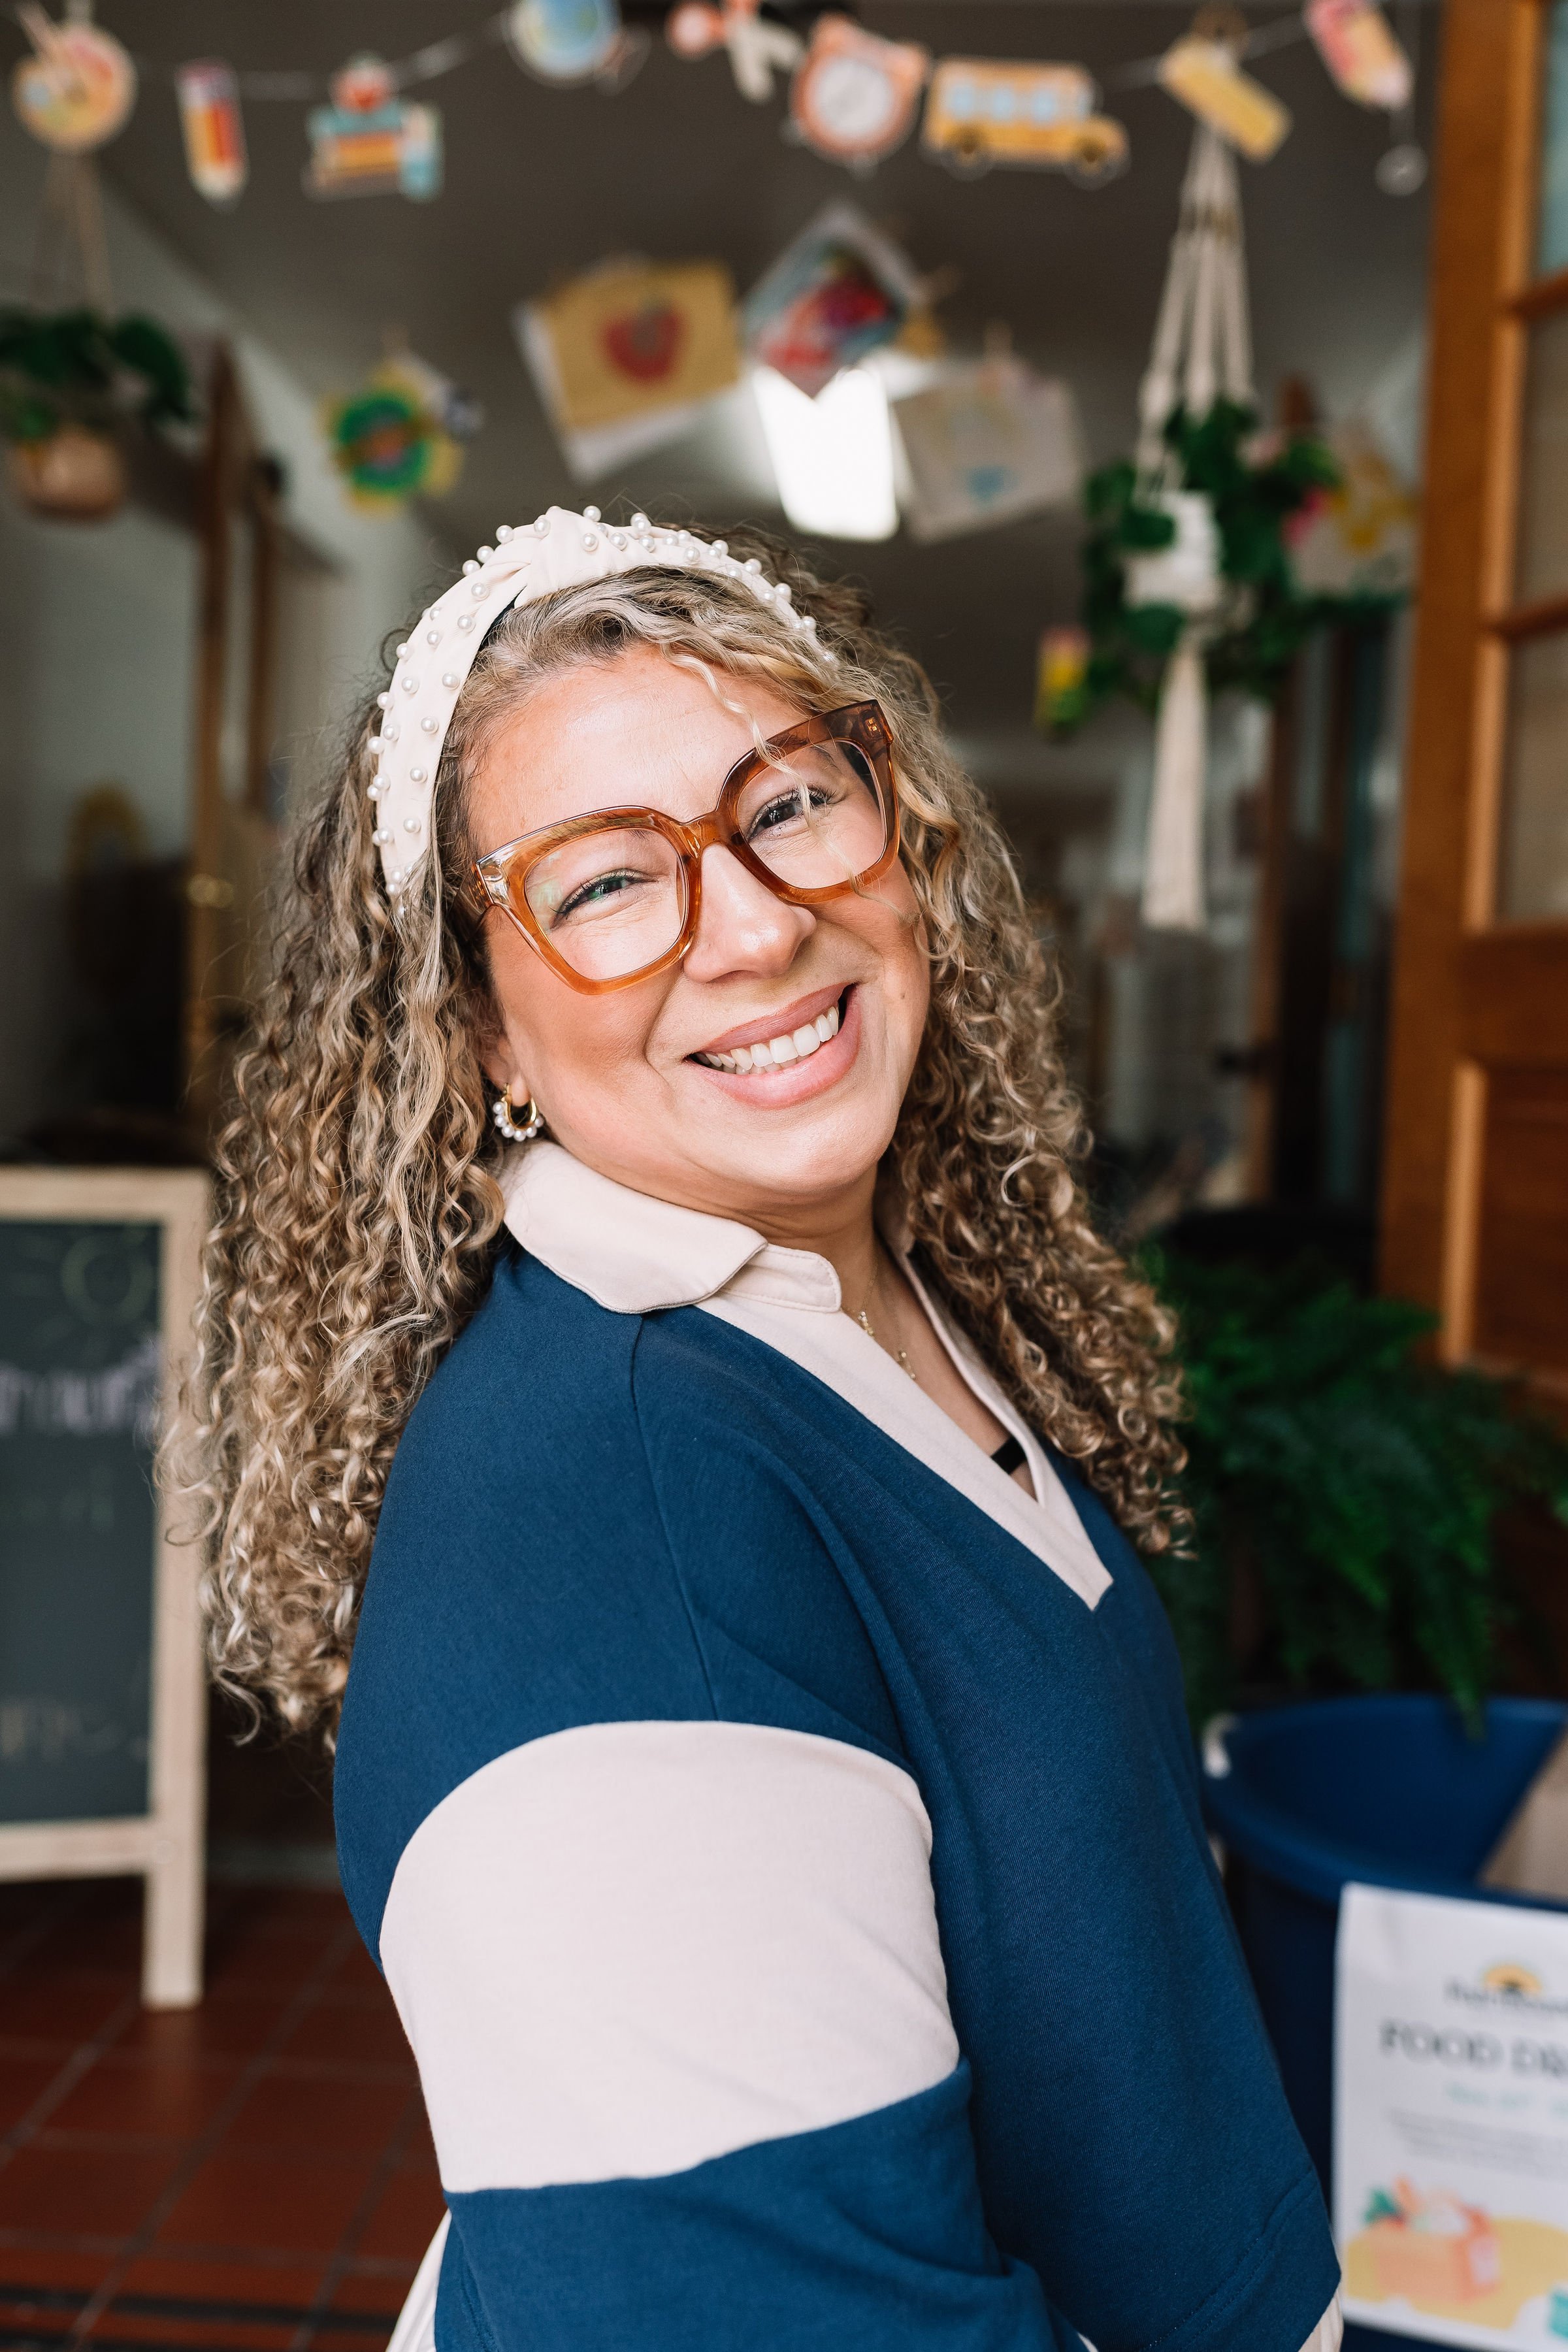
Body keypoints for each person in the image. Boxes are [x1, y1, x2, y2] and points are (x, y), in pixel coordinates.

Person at [182, 506, 1341, 2352]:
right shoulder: (609, 1529)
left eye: (791, 801)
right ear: (473, 1024)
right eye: (604, 883)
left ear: (905, 837)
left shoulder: (868, 1309)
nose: (753, 923)